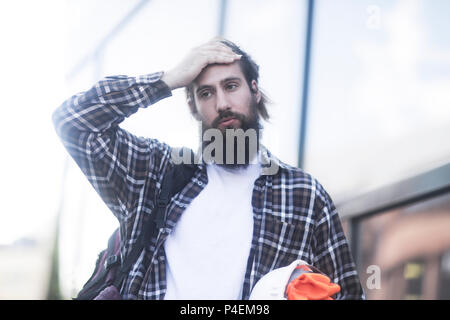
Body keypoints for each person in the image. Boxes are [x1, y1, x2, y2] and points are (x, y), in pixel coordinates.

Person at [52, 38, 365, 300]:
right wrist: (169, 79)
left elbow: (347, 293)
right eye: (206, 93)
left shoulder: (303, 194)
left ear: (254, 91)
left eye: (231, 86)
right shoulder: (157, 172)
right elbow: (74, 121)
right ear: (193, 106)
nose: (222, 103)